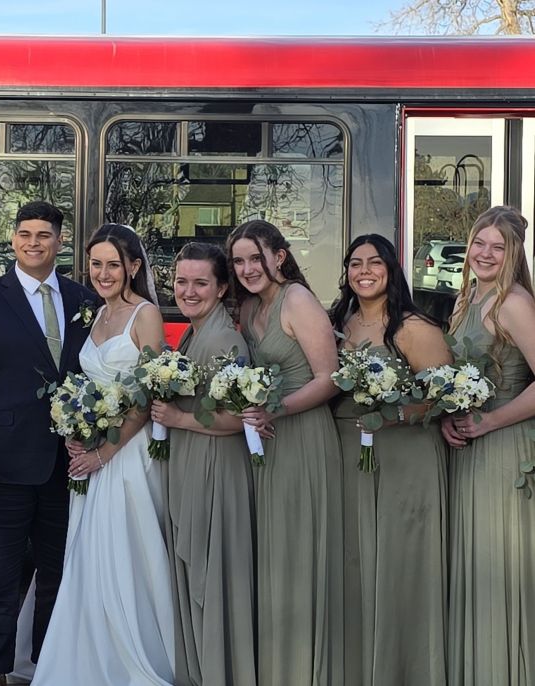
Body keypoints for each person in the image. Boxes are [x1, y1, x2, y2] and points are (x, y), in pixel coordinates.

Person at [0, 202, 95, 686]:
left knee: (56, 574)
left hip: (68, 464)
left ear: (59, 241)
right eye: (25, 234)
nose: (34, 242)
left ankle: (46, 668)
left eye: (44, 235)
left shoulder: (83, 299)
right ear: (13, 240)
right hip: (2, 465)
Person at [30, 223, 174, 686]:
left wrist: (104, 453)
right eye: (96, 264)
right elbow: (88, 388)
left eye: (114, 264)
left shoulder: (145, 314)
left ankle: (132, 659)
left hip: (127, 459)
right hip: (92, 457)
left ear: (133, 267)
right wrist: (75, 430)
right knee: (88, 556)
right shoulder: (95, 314)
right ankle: (89, 657)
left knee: (126, 557)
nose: (104, 273)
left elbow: (149, 393)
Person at [330, 235, 450, 686]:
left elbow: (444, 398)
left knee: (401, 566)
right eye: (355, 262)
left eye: (374, 262)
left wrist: (396, 413)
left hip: (404, 458)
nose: (364, 270)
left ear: (391, 268)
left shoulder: (414, 327)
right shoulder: (337, 322)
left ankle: (406, 669)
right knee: (356, 565)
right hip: (349, 454)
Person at [229, 219, 344, 685]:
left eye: (256, 257)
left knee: (297, 553)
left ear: (279, 256)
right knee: (271, 553)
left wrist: (276, 410)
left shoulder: (297, 299)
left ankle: (302, 670)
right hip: (267, 440)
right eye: (238, 260)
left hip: (301, 437)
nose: (246, 268)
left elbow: (329, 377)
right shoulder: (252, 304)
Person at [150, 243, 257, 686]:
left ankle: (216, 673)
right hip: (193, 459)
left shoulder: (226, 340)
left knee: (210, 575)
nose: (188, 291)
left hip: (216, 465)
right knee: (193, 571)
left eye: (200, 283)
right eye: (181, 281)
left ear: (221, 287)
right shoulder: (194, 333)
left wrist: (178, 418)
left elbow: (242, 418)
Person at [441, 206, 535, 686]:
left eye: (498, 247)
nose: (485, 253)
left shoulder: (512, 302)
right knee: (473, 563)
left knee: (497, 564)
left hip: (502, 449)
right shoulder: (467, 300)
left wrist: (488, 420)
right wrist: (447, 420)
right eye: (479, 242)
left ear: (514, 254)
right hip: (469, 447)